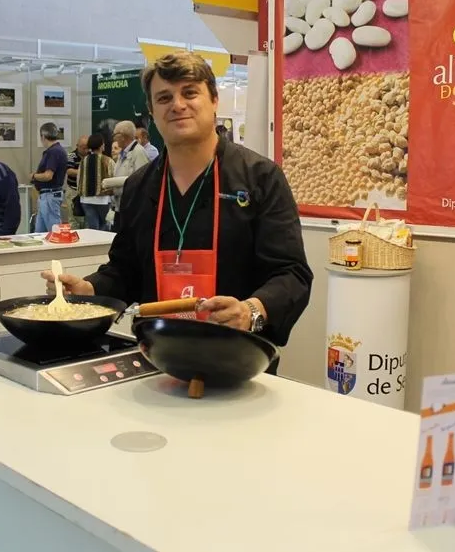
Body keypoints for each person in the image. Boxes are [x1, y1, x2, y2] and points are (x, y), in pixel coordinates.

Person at [43, 51, 313, 359]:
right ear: (152, 111)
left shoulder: (260, 178)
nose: (177, 105)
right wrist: (89, 290)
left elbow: (292, 274)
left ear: (214, 100)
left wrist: (251, 311)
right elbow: (125, 270)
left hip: (240, 360)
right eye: (164, 97)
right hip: (158, 359)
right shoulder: (139, 186)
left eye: (190, 93)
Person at [110, 120, 151, 231]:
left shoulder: (138, 152)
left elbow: (142, 179)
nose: (114, 139)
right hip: (120, 206)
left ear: (123, 136)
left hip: (132, 208)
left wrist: (117, 183)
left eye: (115, 135)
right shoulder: (122, 153)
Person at [31, 122, 67, 232]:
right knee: (39, 234)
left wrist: (34, 176)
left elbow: (48, 176)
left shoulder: (54, 152)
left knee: (54, 232)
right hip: (46, 196)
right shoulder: (57, 151)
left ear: (43, 136)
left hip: (50, 195)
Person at [77, 133, 114, 231]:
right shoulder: (108, 161)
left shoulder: (83, 161)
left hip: (86, 199)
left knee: (93, 229)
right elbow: (113, 179)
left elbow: (78, 180)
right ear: (102, 145)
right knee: (105, 227)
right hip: (103, 199)